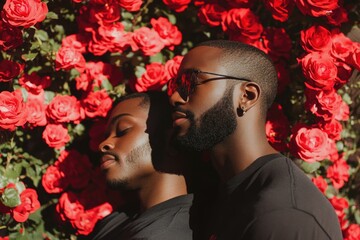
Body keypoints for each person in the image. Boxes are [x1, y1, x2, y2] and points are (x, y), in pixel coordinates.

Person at [168, 40, 343, 240]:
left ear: (247, 96)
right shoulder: (220, 188)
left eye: (190, 82)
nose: (174, 97)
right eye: (175, 85)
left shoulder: (283, 215)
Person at [89, 91, 193, 240]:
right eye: (106, 136)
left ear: (171, 140)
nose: (103, 145)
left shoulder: (167, 234)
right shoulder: (117, 220)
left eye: (122, 130)